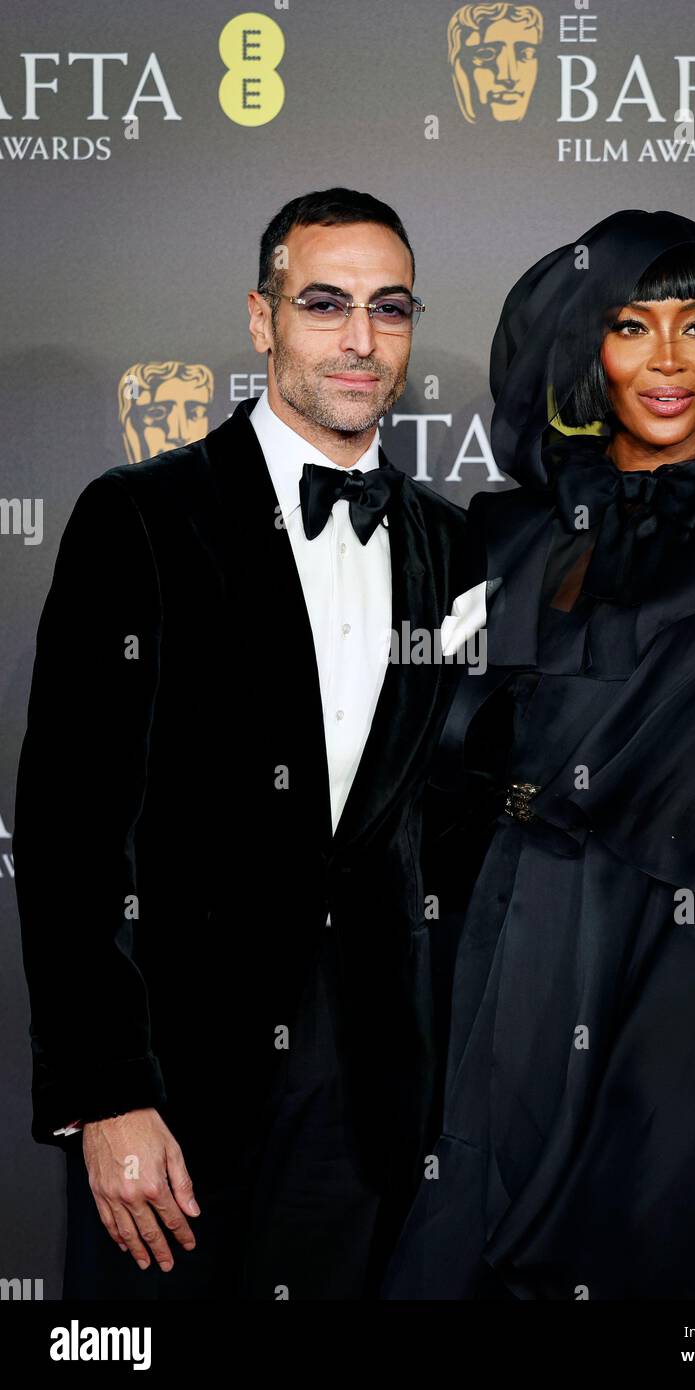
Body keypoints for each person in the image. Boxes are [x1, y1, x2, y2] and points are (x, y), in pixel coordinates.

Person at [382, 208, 695, 1301]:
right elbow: (436, 750)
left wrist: (527, 775)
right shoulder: (507, 533)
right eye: (632, 327)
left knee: (662, 1241)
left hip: (685, 967)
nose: (668, 362)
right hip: (510, 949)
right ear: (586, 345)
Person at [13, 187, 471, 1300]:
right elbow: (71, 830)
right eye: (324, 304)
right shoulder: (142, 519)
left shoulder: (456, 551)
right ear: (262, 320)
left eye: (389, 308)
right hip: (174, 1106)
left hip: (373, 1108)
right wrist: (108, 1095)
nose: (360, 340)